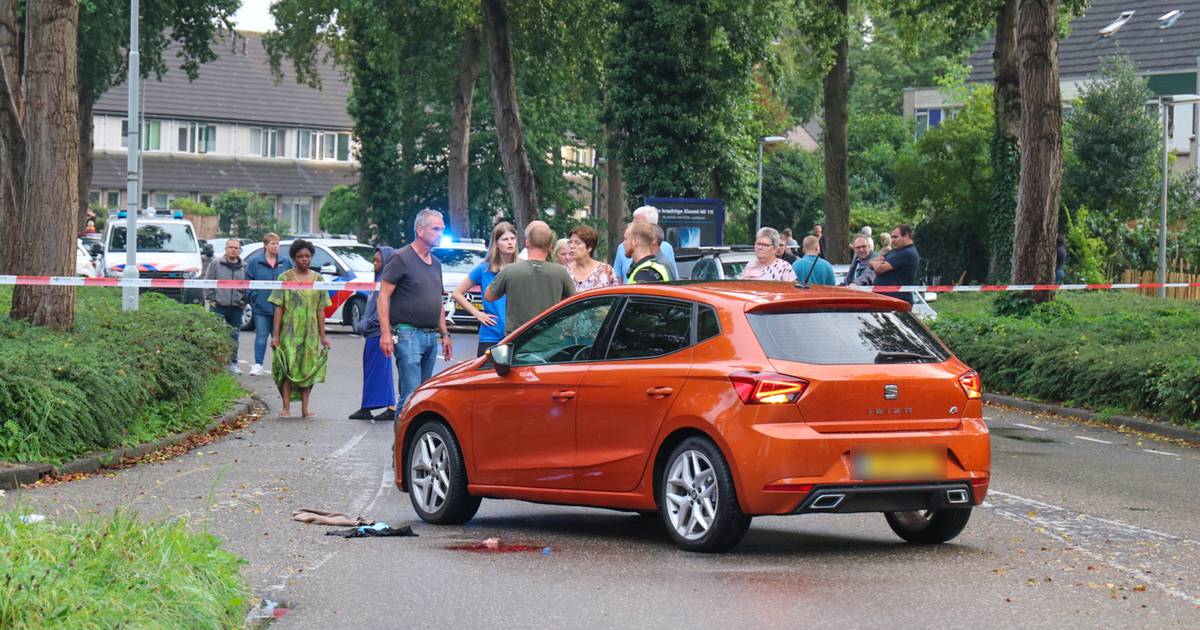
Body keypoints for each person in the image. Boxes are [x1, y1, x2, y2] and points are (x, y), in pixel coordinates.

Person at [377, 209, 455, 406]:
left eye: (442, 229)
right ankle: (401, 438)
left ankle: (412, 437)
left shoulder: (436, 264)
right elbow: (383, 296)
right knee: (410, 396)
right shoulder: (401, 257)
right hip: (407, 334)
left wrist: (445, 334)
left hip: (430, 336)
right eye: (435, 229)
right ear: (420, 231)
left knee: (423, 396)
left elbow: (437, 301)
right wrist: (386, 333)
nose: (440, 233)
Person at [269, 239, 331, 418]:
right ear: (294, 258)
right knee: (288, 368)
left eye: (307, 256)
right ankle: (286, 407)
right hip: (289, 331)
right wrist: (276, 335)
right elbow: (278, 308)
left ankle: (305, 408)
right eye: (300, 256)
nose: (304, 259)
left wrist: (323, 336)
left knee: (307, 369)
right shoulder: (285, 278)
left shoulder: (318, 279)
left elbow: (321, 309)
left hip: (310, 332)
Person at [486, 220, 576, 334]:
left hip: (517, 339)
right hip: (550, 340)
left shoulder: (510, 270)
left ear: (527, 243)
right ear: (550, 247)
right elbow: (573, 302)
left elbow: (489, 296)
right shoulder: (560, 272)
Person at [453, 222, 518, 357]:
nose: (510, 243)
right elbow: (457, 293)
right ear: (496, 243)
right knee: (486, 376)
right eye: (505, 239)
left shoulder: (522, 267)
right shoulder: (484, 269)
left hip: (517, 334)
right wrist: (478, 314)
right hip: (491, 335)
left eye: (512, 238)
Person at [349, 246, 398, 422]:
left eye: (378, 261)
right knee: (371, 370)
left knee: (382, 370)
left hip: (379, 332)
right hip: (371, 332)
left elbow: (382, 310)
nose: (374, 263)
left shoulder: (387, 282)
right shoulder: (376, 280)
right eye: (374, 260)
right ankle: (367, 405)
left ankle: (391, 407)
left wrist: (365, 323)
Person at [245, 233, 292, 376]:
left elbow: (291, 281)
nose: (276, 246)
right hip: (262, 307)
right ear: (265, 245)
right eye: (273, 244)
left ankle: (279, 365)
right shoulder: (255, 262)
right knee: (261, 336)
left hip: (281, 308)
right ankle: (258, 364)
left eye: (277, 244)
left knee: (280, 338)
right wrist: (255, 298)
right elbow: (248, 283)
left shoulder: (285, 261)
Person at [204, 238, 247, 374]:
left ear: (239, 250)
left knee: (234, 336)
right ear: (226, 248)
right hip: (218, 305)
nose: (233, 250)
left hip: (236, 307)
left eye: (236, 247)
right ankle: (212, 364)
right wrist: (211, 299)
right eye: (230, 247)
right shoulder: (216, 263)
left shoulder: (244, 266)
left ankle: (232, 364)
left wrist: (244, 301)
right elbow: (208, 281)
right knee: (214, 335)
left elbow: (248, 286)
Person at [612, 205, 680, 282]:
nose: (623, 243)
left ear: (636, 240)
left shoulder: (645, 274)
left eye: (626, 238)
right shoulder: (656, 267)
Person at [870, 224, 921, 303]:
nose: (893, 240)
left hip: (897, 301)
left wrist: (874, 263)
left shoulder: (907, 253)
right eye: (892, 237)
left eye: (895, 237)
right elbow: (870, 263)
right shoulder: (894, 251)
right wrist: (874, 262)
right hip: (885, 300)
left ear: (906, 235)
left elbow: (879, 269)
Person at [567, 225, 618, 291]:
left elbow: (615, 296)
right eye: (570, 242)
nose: (572, 246)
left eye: (577, 243)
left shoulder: (606, 271)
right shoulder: (564, 271)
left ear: (589, 248)